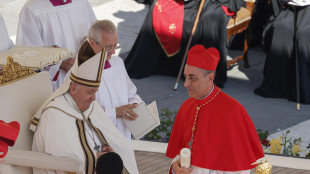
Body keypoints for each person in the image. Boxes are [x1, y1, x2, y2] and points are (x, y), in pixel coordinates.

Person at [30, 40, 139, 174]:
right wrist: (95, 159)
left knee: (124, 149)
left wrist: (106, 148)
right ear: (73, 88)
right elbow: (62, 161)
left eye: (95, 92)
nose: (94, 98)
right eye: (90, 92)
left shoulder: (89, 105)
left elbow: (103, 136)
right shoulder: (54, 114)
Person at [166, 45, 264, 174]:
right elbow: (182, 152)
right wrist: (175, 167)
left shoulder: (232, 111)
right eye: (186, 76)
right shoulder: (186, 106)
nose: (186, 84)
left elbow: (239, 167)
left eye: (192, 78)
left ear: (210, 78)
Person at [125, 0, 243, 88]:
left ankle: (203, 72)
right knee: (158, 6)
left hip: (213, 2)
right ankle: (155, 64)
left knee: (210, 19)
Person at [16, 0, 97, 91]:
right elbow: (27, 54)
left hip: (86, 77)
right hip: (57, 83)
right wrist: (59, 63)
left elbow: (96, 33)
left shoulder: (82, 2)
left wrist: (93, 44)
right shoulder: (32, 9)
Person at [87, 20, 142, 141]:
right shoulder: (81, 72)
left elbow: (131, 93)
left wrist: (135, 105)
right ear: (92, 43)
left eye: (115, 46)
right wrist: (115, 112)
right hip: (98, 139)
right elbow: (84, 111)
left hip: (123, 132)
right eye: (108, 47)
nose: (113, 51)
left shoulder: (118, 63)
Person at [254, 0, 310, 104]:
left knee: (303, 33)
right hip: (291, 7)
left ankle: (304, 87)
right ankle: (279, 86)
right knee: (281, 27)